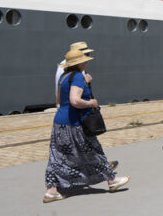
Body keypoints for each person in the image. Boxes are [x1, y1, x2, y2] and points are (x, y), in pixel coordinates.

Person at [43, 49, 129, 203]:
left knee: (56, 156)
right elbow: (75, 100)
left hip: (59, 122)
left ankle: (51, 191)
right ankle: (112, 180)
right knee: (94, 151)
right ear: (80, 62)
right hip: (74, 123)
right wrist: (91, 102)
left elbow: (58, 99)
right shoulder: (77, 77)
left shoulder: (64, 77)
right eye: (85, 59)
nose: (87, 61)